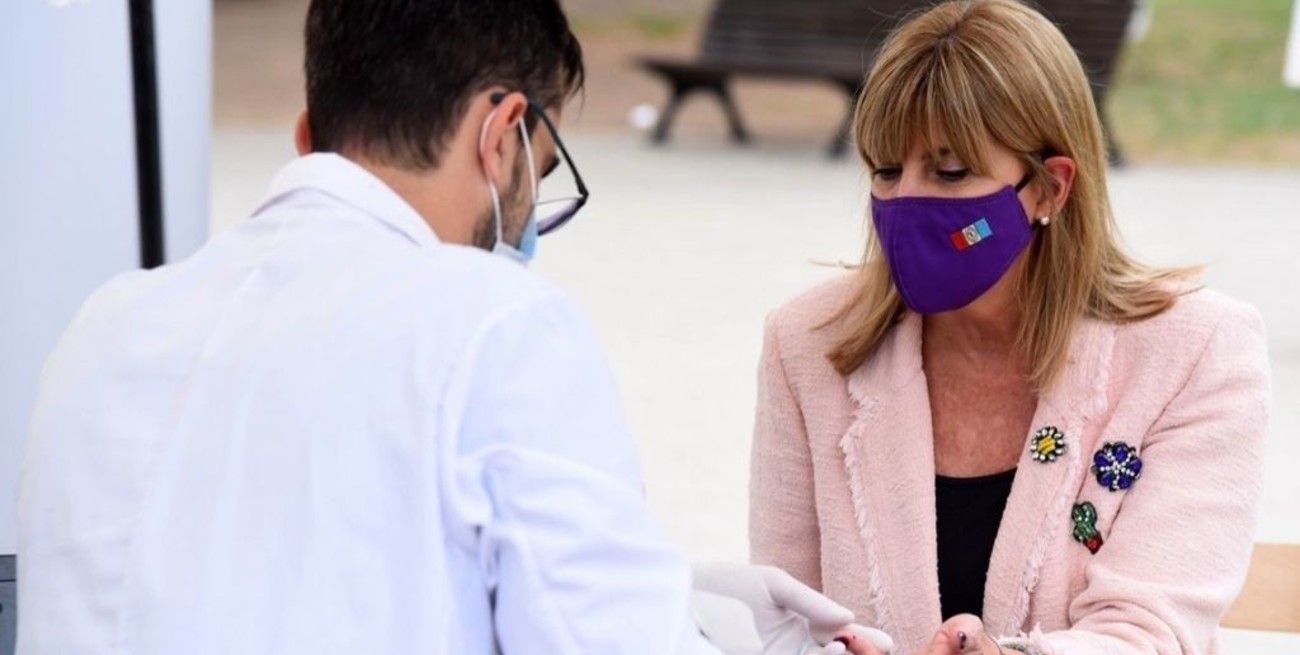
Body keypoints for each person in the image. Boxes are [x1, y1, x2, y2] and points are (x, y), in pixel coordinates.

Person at [16, 2, 890, 654]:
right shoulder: (494, 323)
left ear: (307, 136)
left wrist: (684, 593)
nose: (529, 213)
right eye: (540, 173)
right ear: (502, 133)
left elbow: (270, 579)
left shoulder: (108, 324)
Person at [748, 1, 1271, 654]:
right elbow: (783, 620)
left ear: (1050, 187)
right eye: (885, 169)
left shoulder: (1196, 351)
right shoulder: (808, 344)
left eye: (949, 171)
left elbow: (1152, 631)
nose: (906, 198)